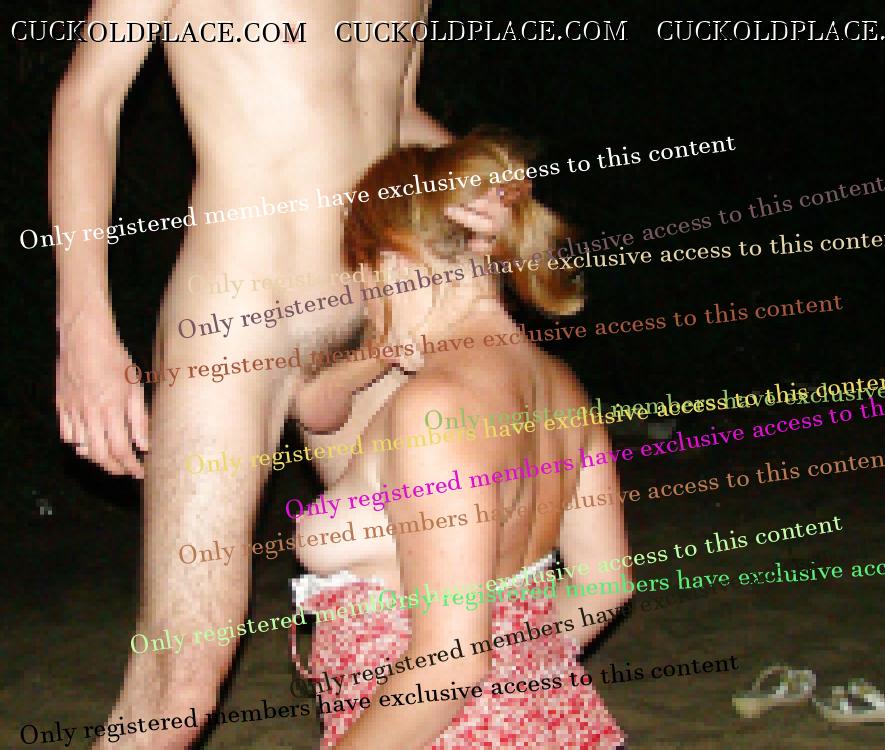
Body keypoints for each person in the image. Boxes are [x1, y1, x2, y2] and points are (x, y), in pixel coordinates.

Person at [48, 3, 484, 747]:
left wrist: (489, 184)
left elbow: (393, 111)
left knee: (432, 625)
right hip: (240, 313)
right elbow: (91, 94)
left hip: (378, 319)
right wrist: (84, 325)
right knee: (183, 674)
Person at [289, 132, 631, 749]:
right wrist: (520, 680)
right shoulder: (561, 386)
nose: (365, 302)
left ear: (392, 260)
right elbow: (605, 586)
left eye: (362, 278)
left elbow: (448, 666)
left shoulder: (435, 408)